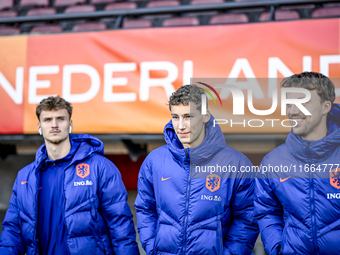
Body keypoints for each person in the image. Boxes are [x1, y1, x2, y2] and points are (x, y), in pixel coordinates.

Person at [0, 96, 139, 255]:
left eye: (60, 119)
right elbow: (12, 230)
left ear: (70, 124)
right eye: (47, 119)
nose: (54, 124)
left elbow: (120, 225)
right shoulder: (25, 177)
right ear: (39, 127)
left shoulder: (100, 167)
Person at [134, 85, 258, 255]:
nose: (181, 126)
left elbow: (248, 217)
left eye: (188, 116)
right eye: (175, 117)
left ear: (205, 116)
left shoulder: (236, 164)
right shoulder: (154, 161)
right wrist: (152, 247)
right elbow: (145, 208)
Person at [254, 72, 340, 255]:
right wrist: (278, 248)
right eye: (289, 103)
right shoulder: (272, 162)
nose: (292, 111)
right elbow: (266, 211)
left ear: (325, 106)